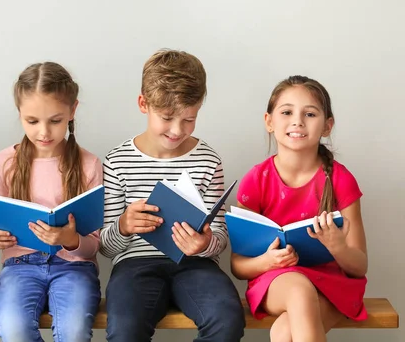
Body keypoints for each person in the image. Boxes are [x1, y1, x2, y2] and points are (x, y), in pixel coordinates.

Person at [100, 49, 245, 342]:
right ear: (144, 103)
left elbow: (219, 236)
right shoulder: (117, 161)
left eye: (189, 119)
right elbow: (105, 246)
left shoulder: (208, 160)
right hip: (134, 265)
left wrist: (204, 244)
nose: (177, 130)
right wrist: (124, 225)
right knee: (124, 329)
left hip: (196, 265)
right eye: (167, 117)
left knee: (226, 318)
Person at [231, 75, 368, 341]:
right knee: (299, 290)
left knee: (284, 332)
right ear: (269, 121)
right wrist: (267, 262)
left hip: (333, 285)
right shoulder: (257, 180)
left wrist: (337, 245)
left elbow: (360, 266)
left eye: (310, 113)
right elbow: (238, 265)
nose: (297, 121)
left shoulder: (341, 180)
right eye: (286, 112)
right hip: (276, 282)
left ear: (327, 126)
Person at [0, 62, 102, 342]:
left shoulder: (89, 164)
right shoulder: (3, 163)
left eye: (56, 120)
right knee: (14, 329)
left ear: (73, 111)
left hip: (74, 267)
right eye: (32, 121)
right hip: (19, 265)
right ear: (20, 114)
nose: (44, 132)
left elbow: (95, 243)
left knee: (73, 332)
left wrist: (71, 239)